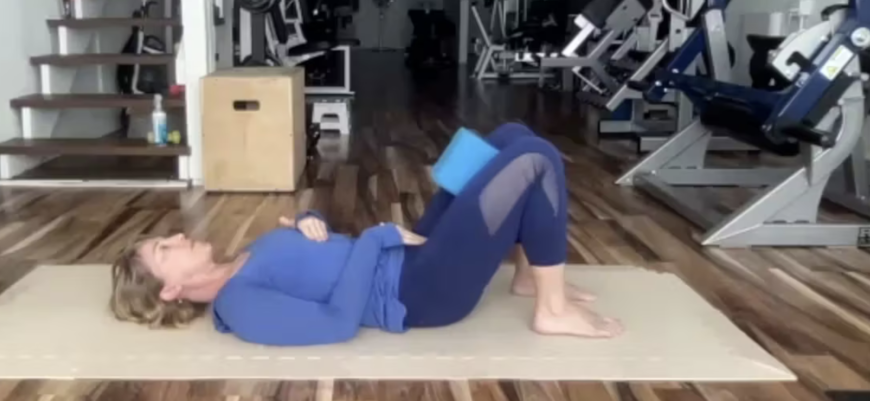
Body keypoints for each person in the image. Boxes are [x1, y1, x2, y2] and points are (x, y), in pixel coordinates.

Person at [110, 123, 623, 346]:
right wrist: (377, 239)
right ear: (171, 290)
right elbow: (336, 324)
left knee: (511, 136)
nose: (178, 237)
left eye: (167, 237)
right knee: (536, 160)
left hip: (402, 258)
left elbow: (325, 264)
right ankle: (551, 311)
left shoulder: (240, 260)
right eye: (165, 250)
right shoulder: (241, 307)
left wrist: (318, 227)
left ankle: (528, 278)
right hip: (419, 294)